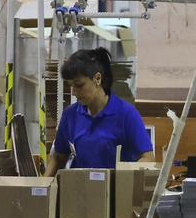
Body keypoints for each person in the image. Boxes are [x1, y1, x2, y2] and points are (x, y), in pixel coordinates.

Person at [45, 47, 156, 175]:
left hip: (116, 191)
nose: (73, 92)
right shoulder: (70, 116)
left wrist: (119, 179)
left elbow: (147, 159)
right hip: (78, 190)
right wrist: (45, 189)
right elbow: (58, 159)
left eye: (79, 85)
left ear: (97, 78)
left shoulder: (127, 114)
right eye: (70, 85)